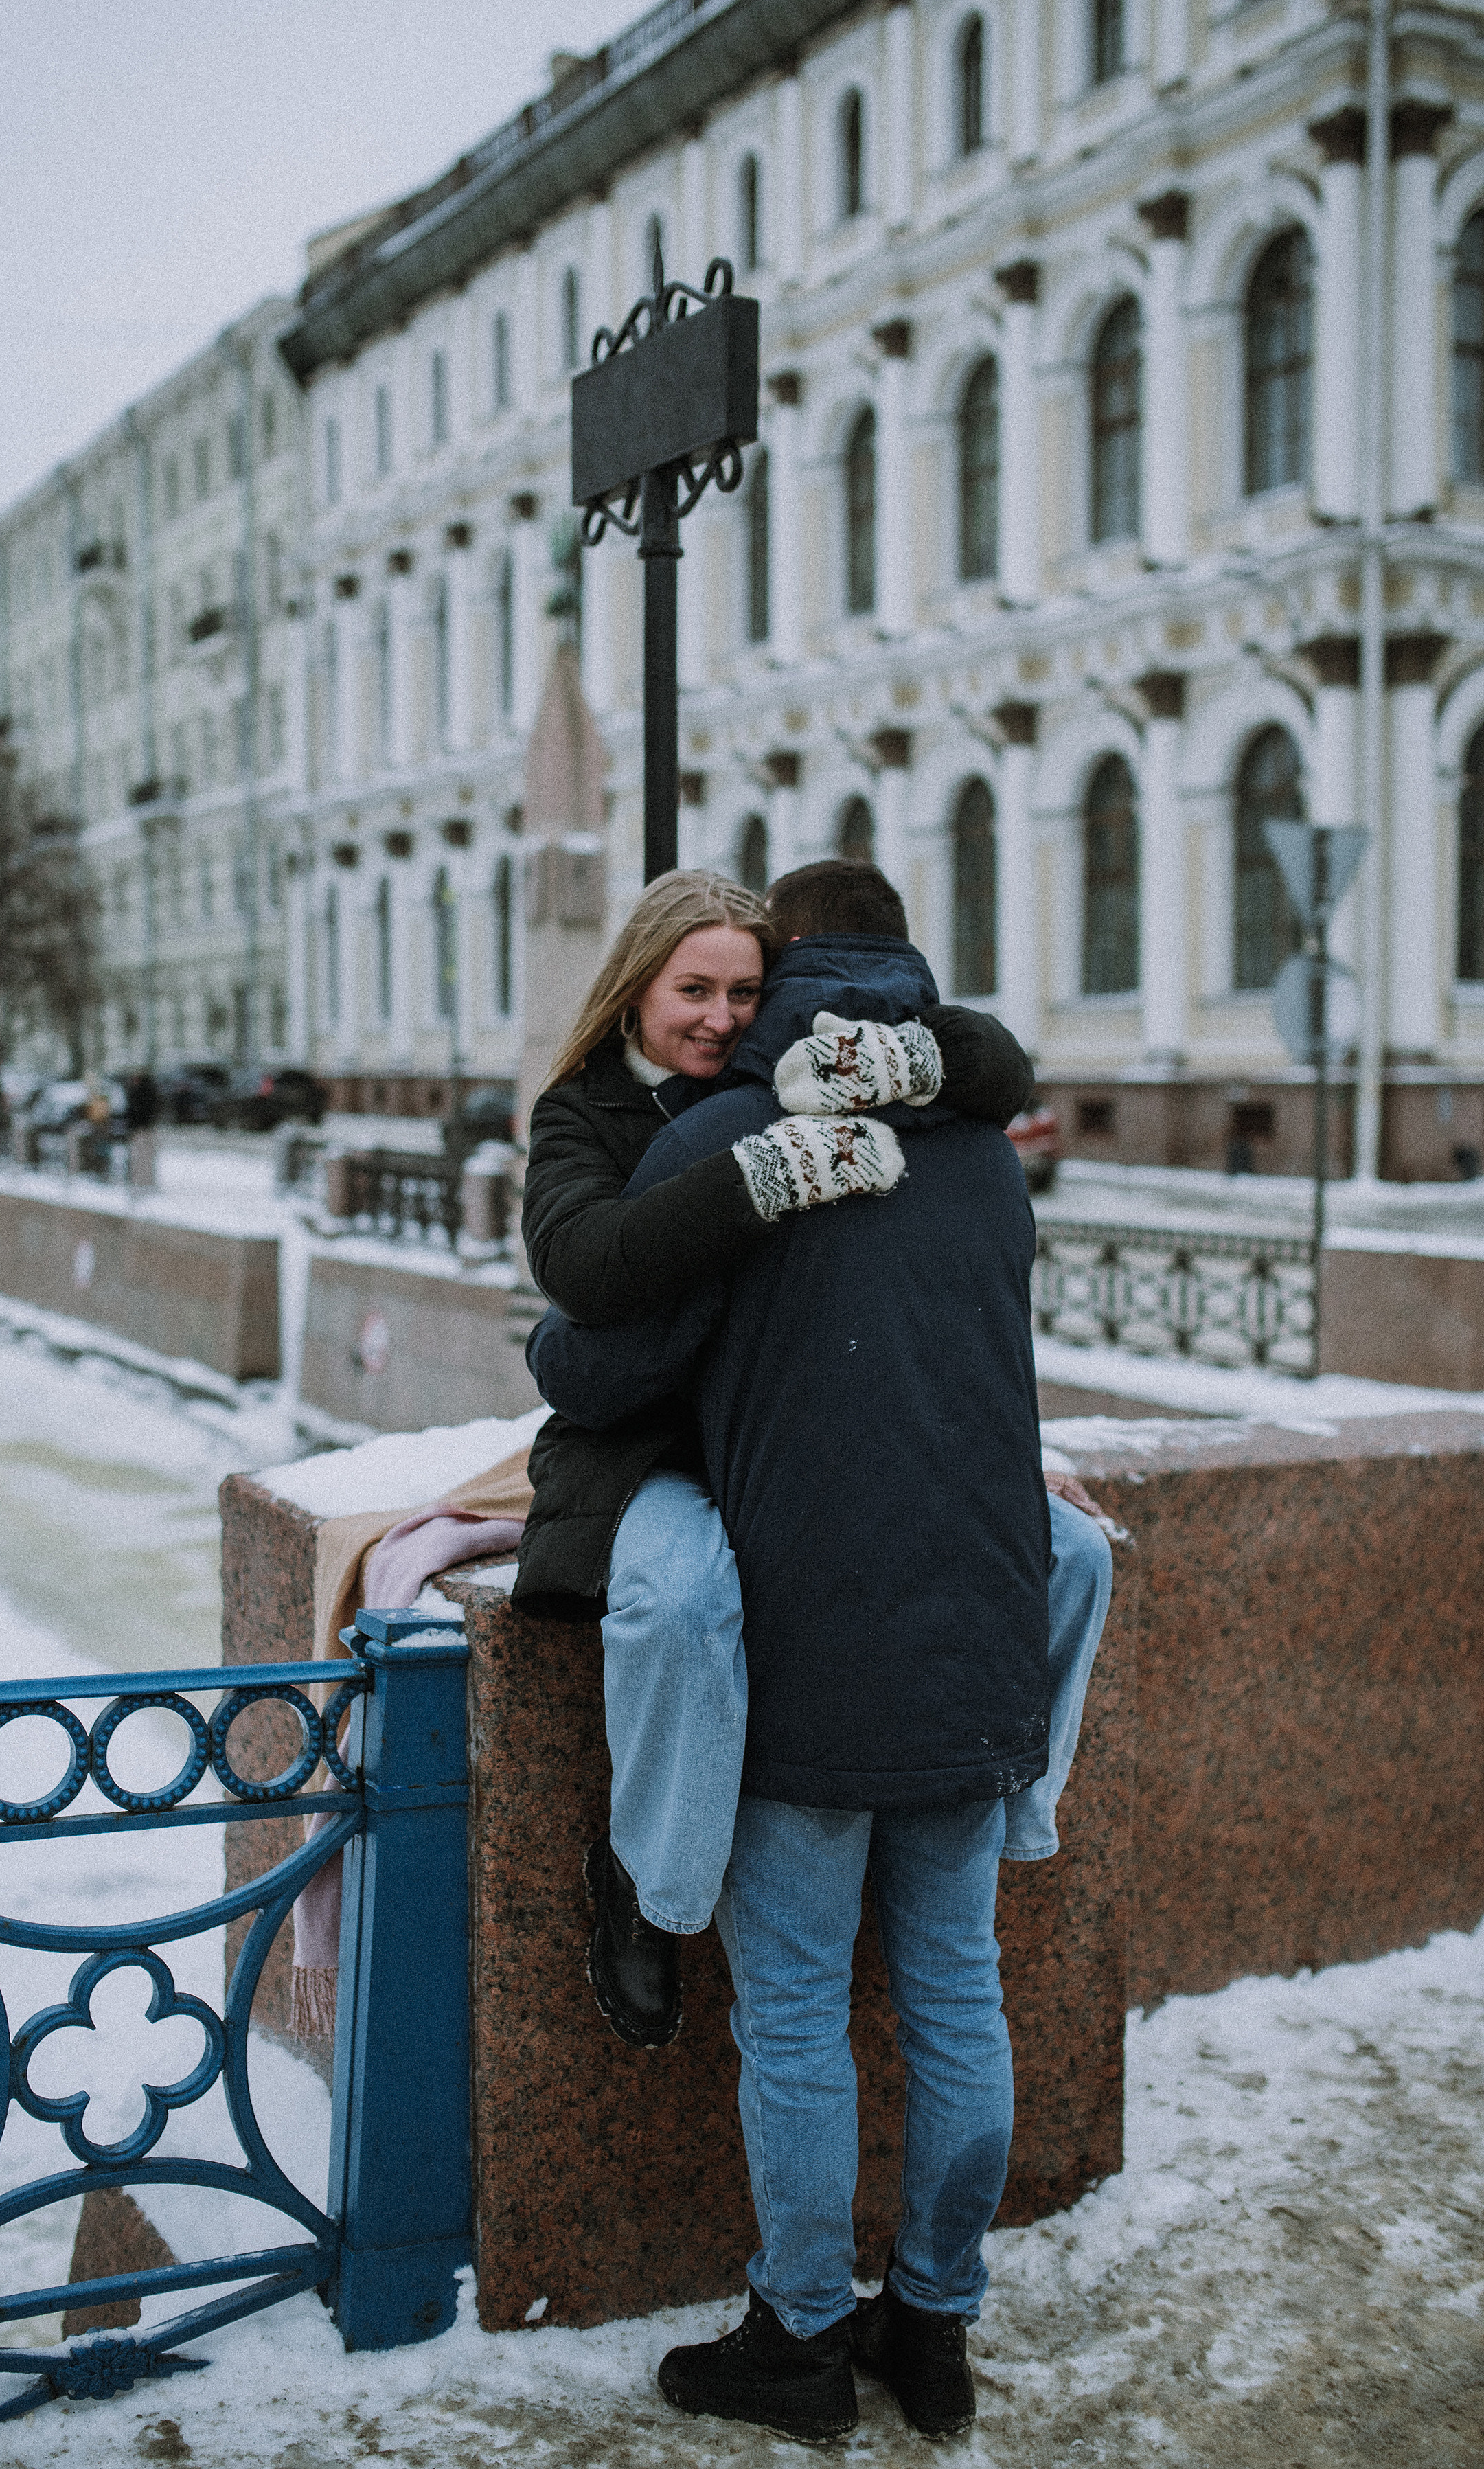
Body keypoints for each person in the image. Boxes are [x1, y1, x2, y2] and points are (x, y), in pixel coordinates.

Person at [527, 860, 1110, 2446]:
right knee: (955, 1992)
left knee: (790, 2014)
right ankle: (932, 2325)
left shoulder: (734, 1137)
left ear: (781, 967)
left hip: (816, 1642)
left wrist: (555, 1351)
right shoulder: (990, 1152)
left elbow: (600, 1356)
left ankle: (797, 2340)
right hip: (978, 1631)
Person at [513, 871, 1044, 2048]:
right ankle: (650, 1886)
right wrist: (769, 1170)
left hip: (789, 1432)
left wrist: (922, 1063)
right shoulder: (586, 1111)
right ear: (633, 992)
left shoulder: (800, 1074)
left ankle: (1022, 1797)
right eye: (691, 990)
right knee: (682, 1599)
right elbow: (588, 1272)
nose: (719, 1017)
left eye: (746, 992)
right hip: (649, 1450)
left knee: (1070, 1553)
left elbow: (998, 1066)